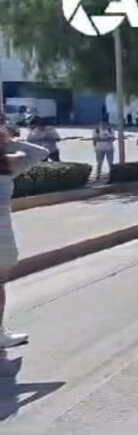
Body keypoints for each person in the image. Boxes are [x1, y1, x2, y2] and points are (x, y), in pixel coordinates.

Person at [0, 129, 50, 347]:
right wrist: (8, 144)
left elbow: (42, 152)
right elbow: (39, 152)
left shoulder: (6, 163)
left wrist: (5, 145)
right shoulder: (7, 163)